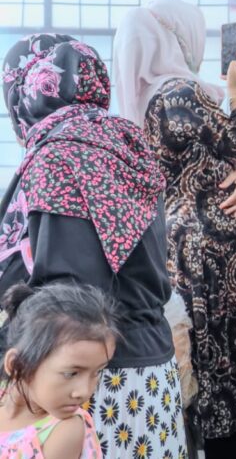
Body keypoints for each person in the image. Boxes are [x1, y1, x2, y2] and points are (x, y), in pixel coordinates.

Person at [0, 34, 188, 457]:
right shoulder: (127, 141)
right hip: (153, 372)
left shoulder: (56, 157)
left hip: (88, 376)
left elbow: (66, 292)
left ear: (25, 94)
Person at [112, 0, 236, 456]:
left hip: (178, 243)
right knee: (223, 366)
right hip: (209, 255)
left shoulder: (147, 97)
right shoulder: (180, 93)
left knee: (196, 363)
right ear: (181, 39)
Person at [0, 283, 117, 459]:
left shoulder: (65, 431)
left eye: (97, 372)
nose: (84, 392)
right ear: (17, 365)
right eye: (71, 374)